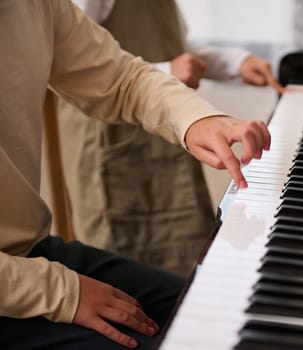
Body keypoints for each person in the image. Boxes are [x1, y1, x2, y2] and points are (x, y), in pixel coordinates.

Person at [0, 1, 270, 349]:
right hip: (17, 286)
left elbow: (121, 77)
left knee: (230, 313)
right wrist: (63, 293)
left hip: (29, 253)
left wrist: (195, 120)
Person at [58, 0, 284, 276]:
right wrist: (167, 70)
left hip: (168, 134)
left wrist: (235, 62)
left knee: (186, 255)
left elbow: (177, 48)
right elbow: (78, 66)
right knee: (128, 266)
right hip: (114, 148)